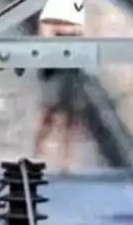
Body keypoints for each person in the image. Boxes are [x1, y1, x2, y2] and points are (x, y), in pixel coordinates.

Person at [32, 22, 84, 171]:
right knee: (48, 112)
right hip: (53, 69)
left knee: (71, 115)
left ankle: (66, 160)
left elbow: (80, 32)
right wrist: (66, 33)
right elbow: (46, 34)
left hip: (71, 67)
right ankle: (37, 155)